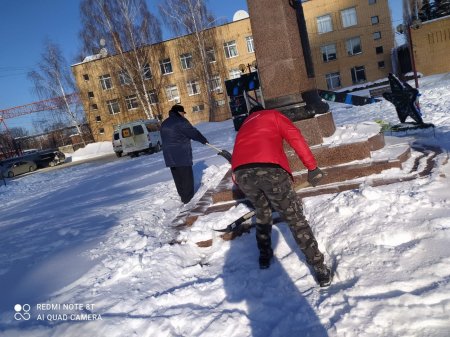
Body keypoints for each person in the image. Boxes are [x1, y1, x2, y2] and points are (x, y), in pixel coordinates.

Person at [231, 105, 331, 287]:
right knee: (294, 218)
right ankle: (319, 268)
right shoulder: (273, 115)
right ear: (263, 110)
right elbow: (295, 137)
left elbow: (238, 155)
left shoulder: (245, 123)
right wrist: (312, 167)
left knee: (262, 213)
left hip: (242, 174)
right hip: (271, 171)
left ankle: (264, 257)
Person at [161, 104, 208, 204]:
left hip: (169, 156)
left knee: (178, 178)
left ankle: (183, 197)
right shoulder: (181, 121)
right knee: (186, 178)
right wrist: (203, 140)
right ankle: (188, 201)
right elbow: (193, 133)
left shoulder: (164, 123)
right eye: (183, 113)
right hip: (181, 154)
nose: (184, 115)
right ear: (179, 112)